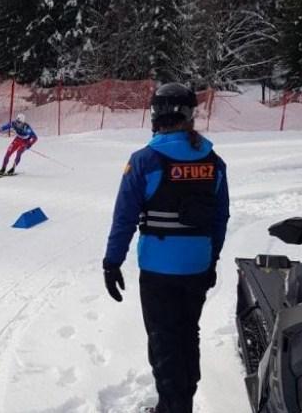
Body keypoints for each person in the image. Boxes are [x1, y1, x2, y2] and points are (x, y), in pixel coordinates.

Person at [102, 83, 230, 413]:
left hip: (159, 271)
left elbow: (124, 218)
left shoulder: (144, 161)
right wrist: (211, 258)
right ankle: (181, 399)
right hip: (198, 266)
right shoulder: (214, 162)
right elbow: (220, 218)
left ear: (156, 115)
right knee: (188, 333)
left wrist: (112, 262)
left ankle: (173, 406)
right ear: (190, 115)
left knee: (163, 339)